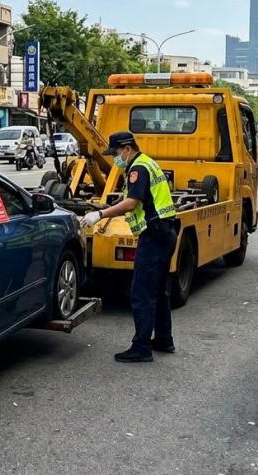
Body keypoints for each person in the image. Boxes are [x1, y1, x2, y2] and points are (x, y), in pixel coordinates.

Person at [81, 132, 177, 363]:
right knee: (158, 290)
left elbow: (132, 203)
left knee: (142, 292)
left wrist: (100, 215)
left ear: (126, 149)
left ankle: (141, 348)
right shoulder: (147, 162)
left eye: (115, 153)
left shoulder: (138, 168)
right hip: (165, 233)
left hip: (153, 236)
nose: (114, 158)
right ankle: (164, 339)